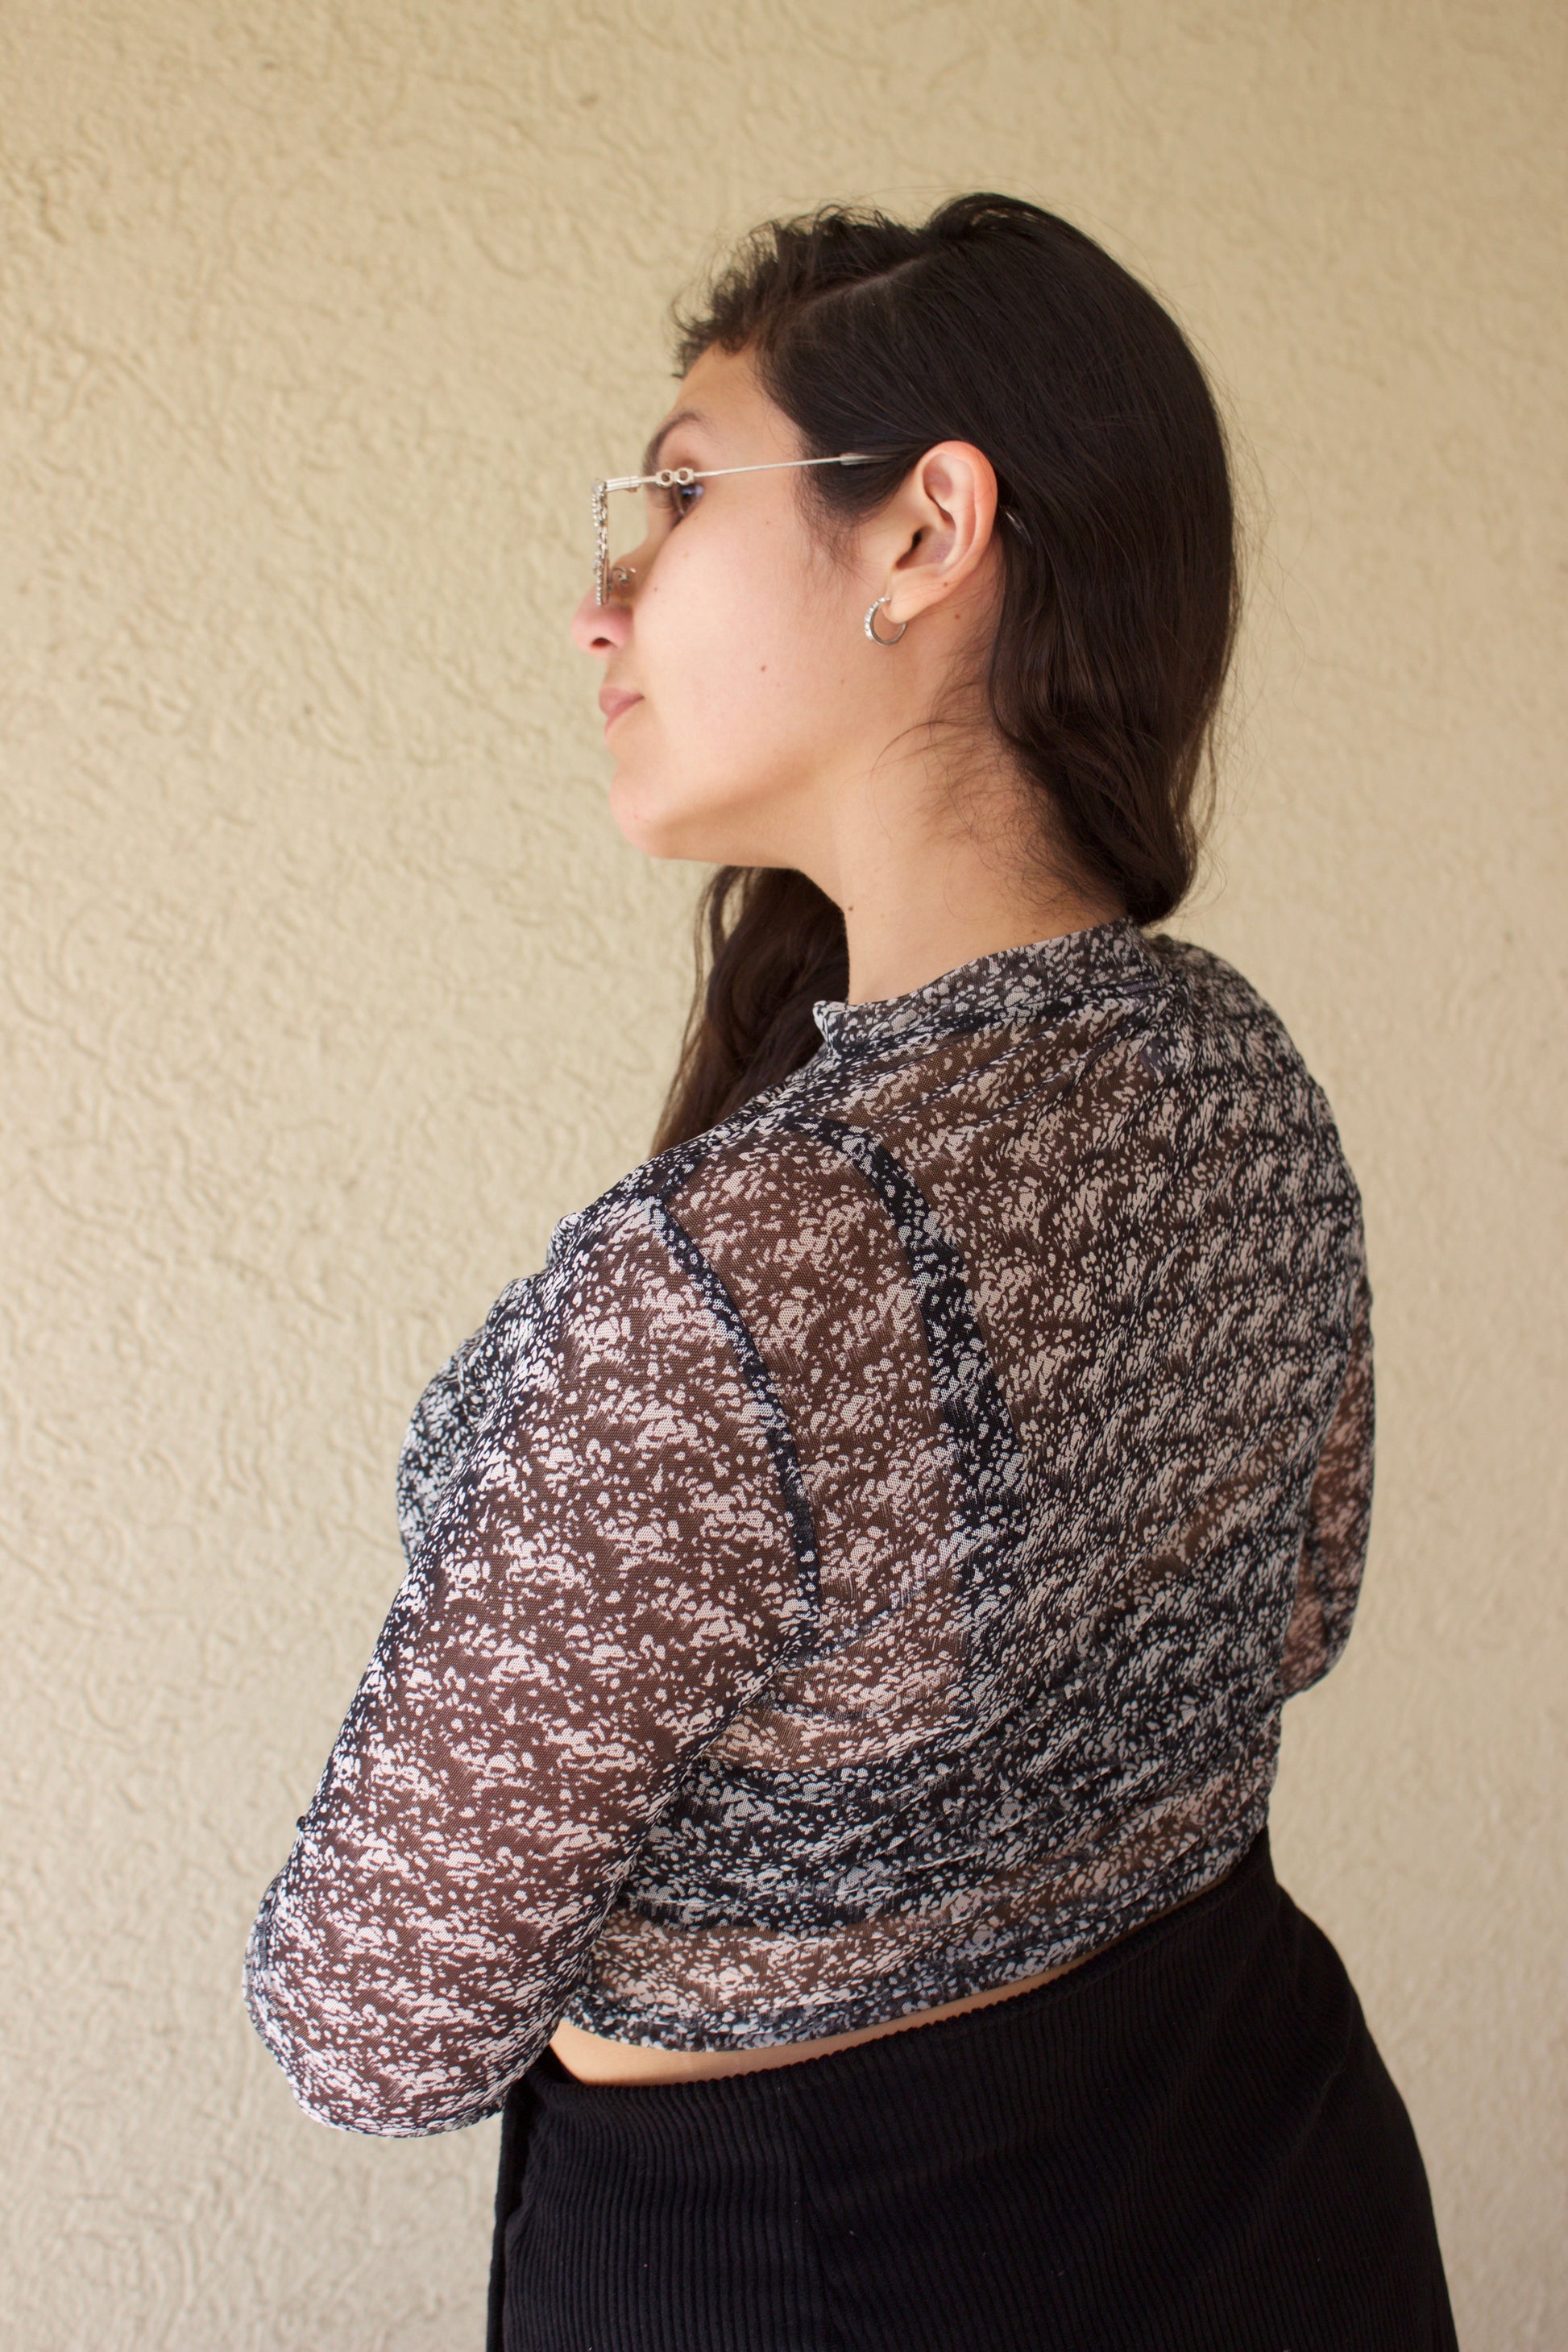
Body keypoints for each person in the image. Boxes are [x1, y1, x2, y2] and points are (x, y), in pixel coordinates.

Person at [245, 193, 1458, 2350]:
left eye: (675, 497)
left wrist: (752, 1897)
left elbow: (371, 2018)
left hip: (803, 2267)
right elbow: (1295, 1614)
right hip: (1260, 2162)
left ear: (923, 532)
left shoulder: (737, 1280)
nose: (599, 604)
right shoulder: (1235, 1075)